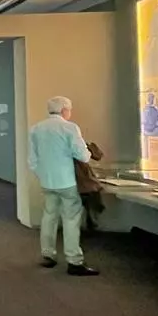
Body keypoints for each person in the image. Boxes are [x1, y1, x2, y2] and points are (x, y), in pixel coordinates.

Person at [29, 96, 98, 276]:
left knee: (49, 216)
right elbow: (83, 156)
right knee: (71, 220)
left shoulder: (36, 129)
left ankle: (48, 254)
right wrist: (88, 151)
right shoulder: (70, 128)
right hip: (67, 181)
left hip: (47, 181)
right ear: (65, 110)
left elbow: (33, 160)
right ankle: (74, 260)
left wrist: (43, 175)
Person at [75, 142, 105, 231]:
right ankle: (92, 219)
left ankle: (91, 219)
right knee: (91, 191)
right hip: (83, 183)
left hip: (79, 182)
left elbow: (98, 156)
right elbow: (98, 156)